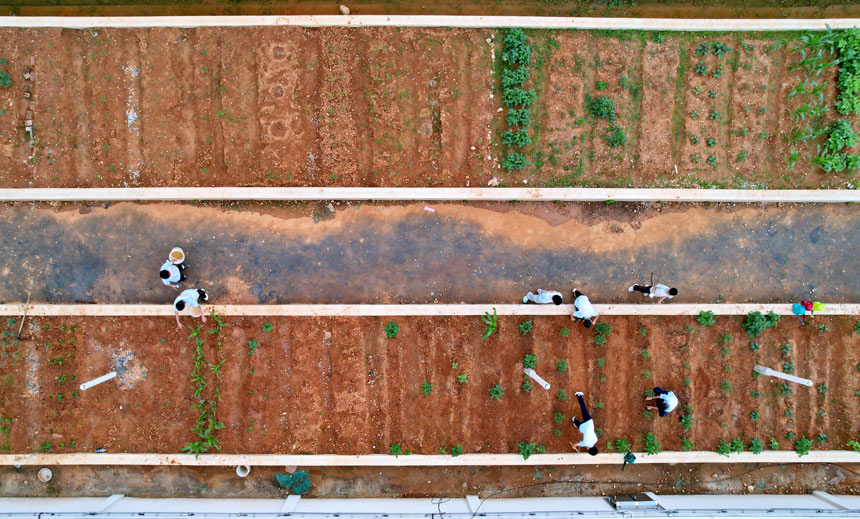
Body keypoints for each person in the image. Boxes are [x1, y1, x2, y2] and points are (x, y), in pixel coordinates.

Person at [571, 391, 598, 456]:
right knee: (579, 427)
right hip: (582, 426)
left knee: (583, 409)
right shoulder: (585, 443)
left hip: (589, 422)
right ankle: (574, 420)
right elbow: (575, 445)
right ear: (588, 449)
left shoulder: (595, 440)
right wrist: (574, 447)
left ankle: (580, 396)